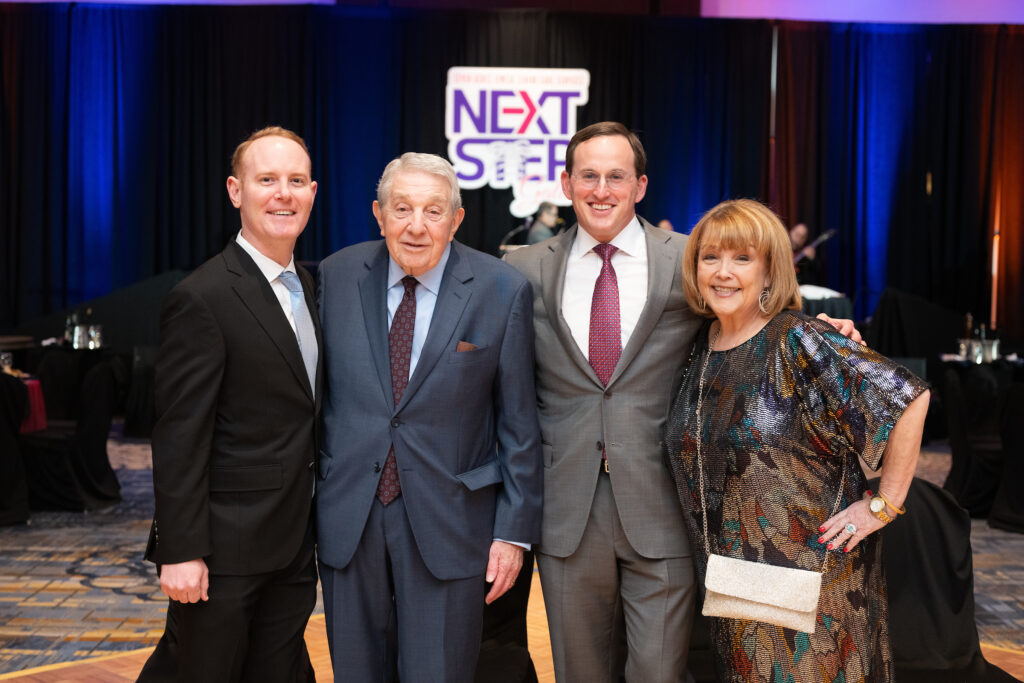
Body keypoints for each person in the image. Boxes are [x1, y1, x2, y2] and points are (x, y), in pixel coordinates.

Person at [505, 122, 862, 683]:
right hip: (565, 509)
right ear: (566, 183)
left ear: (640, 186)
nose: (602, 189)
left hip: (664, 502)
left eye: (616, 177)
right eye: (588, 176)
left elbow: (749, 311)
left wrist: (809, 327)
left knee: (658, 674)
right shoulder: (522, 268)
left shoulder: (688, 258)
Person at [666, 198, 929, 681]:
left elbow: (908, 398)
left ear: (770, 272)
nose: (723, 272)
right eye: (710, 257)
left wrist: (884, 504)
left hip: (813, 594)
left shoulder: (800, 337)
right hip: (735, 589)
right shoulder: (699, 346)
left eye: (742, 258)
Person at [315, 152, 543, 682]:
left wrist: (512, 534)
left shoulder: (501, 289)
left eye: (433, 211)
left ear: (456, 219)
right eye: (402, 209)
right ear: (379, 214)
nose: (417, 226)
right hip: (351, 516)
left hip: (453, 520)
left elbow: (519, 425)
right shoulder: (335, 275)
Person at [139, 127, 321, 682]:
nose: (283, 194)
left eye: (295, 181)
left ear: (313, 192)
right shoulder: (204, 296)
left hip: (294, 547)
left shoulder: (311, 287)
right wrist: (181, 550)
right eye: (266, 180)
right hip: (223, 553)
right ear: (235, 191)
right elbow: (179, 435)